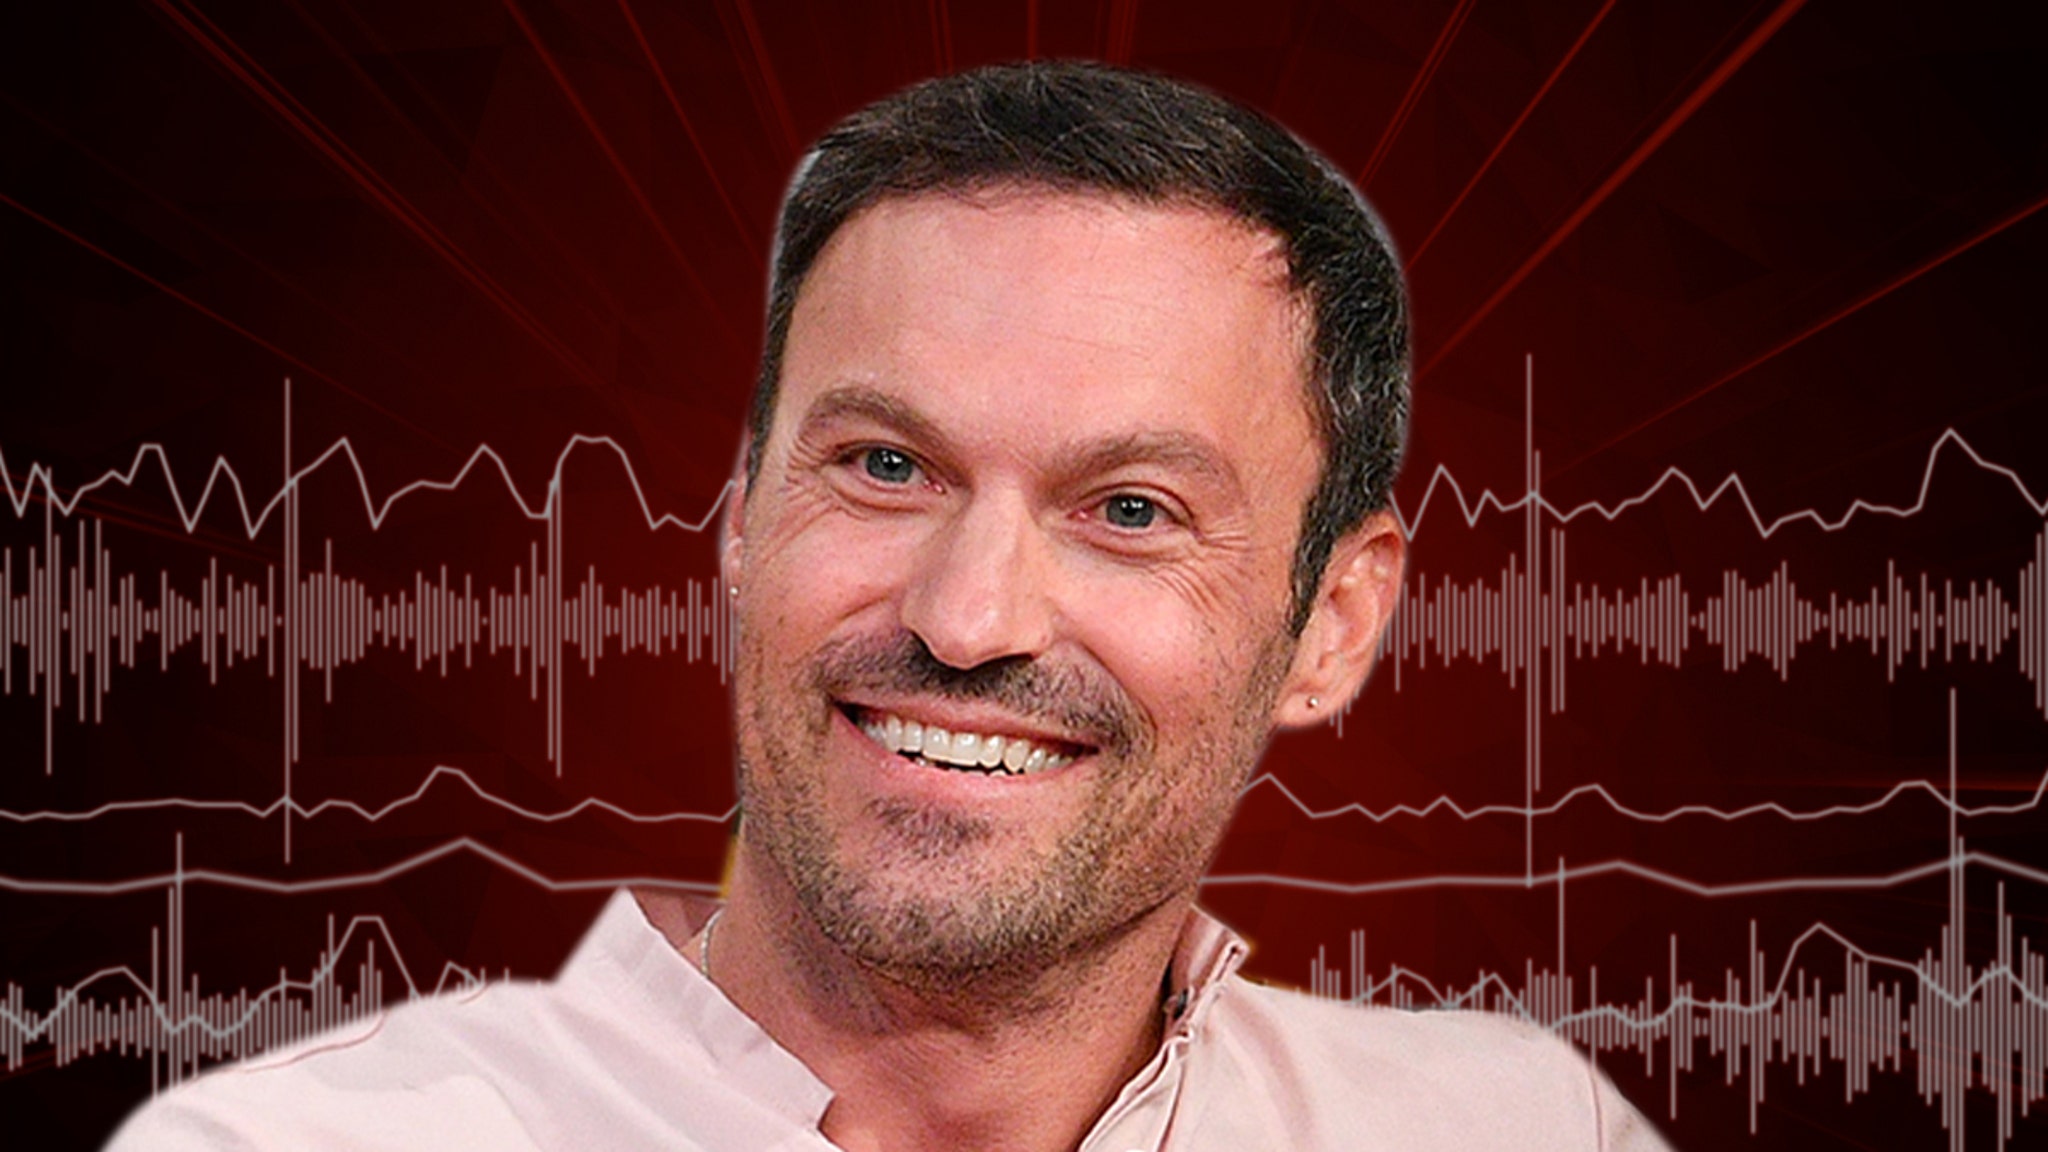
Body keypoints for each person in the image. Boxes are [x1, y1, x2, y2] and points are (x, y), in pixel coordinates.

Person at [108, 61, 1673, 1151]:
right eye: (885, 466)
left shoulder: (1521, 1130)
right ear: (742, 519)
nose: (970, 618)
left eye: (1131, 510)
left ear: (1333, 623)